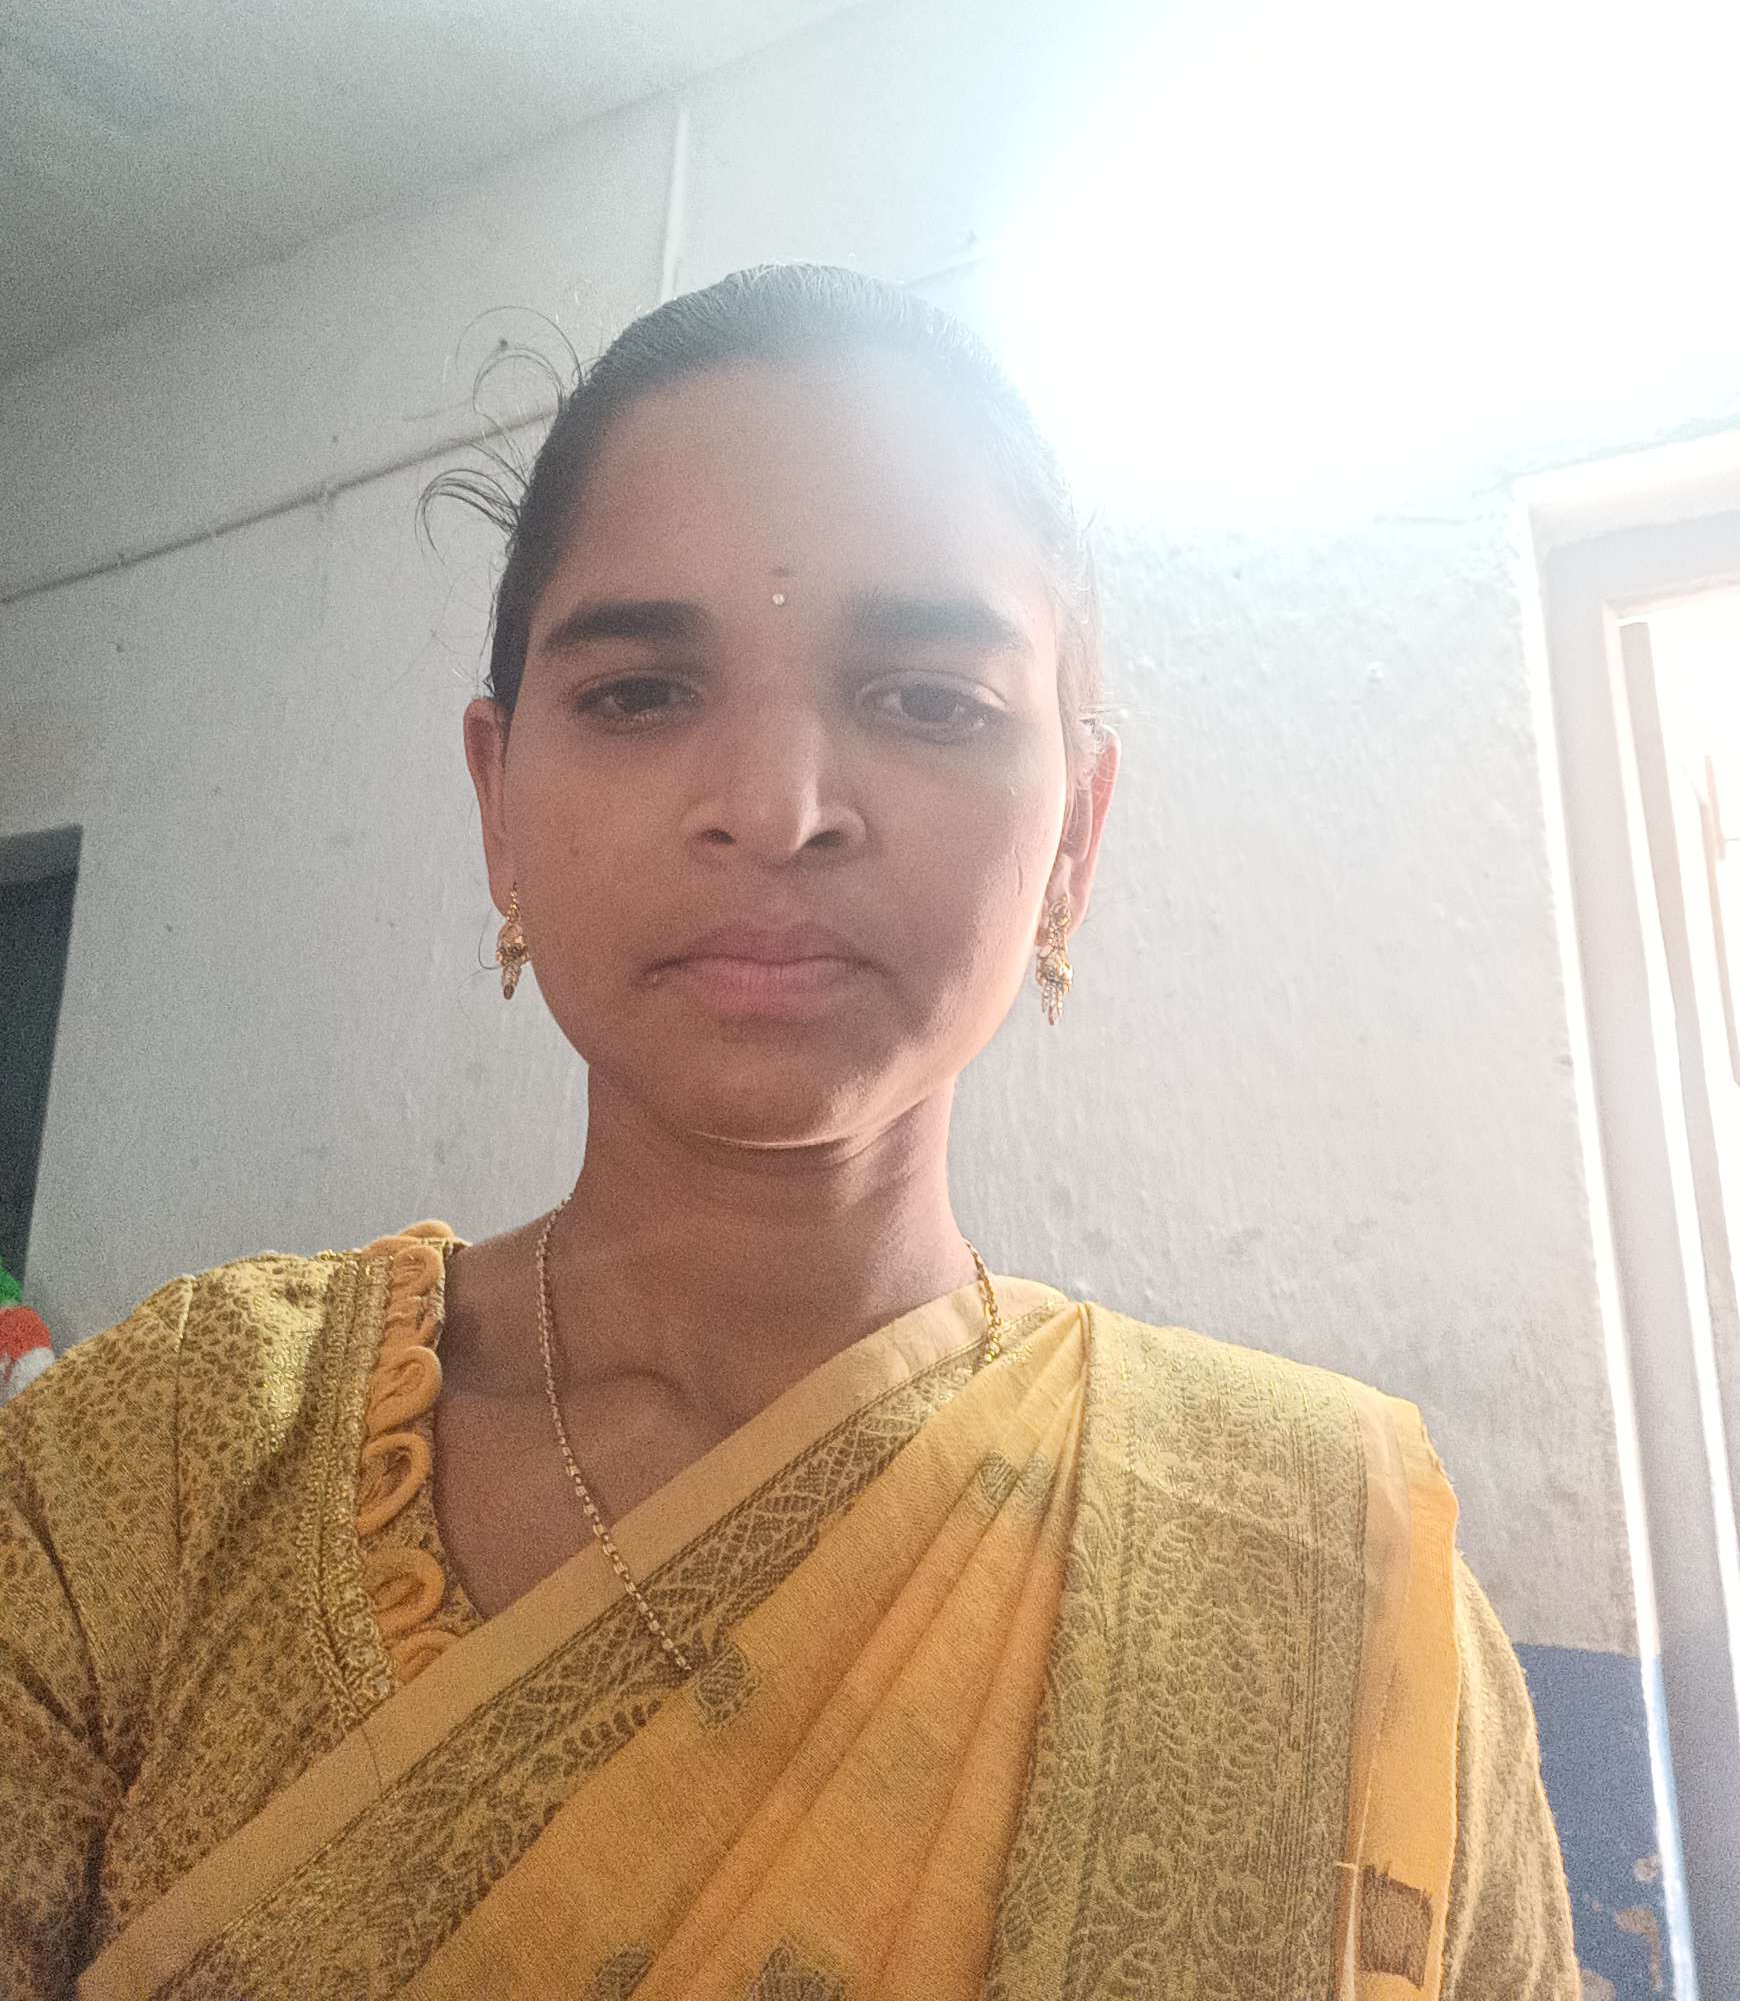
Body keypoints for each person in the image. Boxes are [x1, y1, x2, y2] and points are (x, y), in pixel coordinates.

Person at [0, 264, 1579, 1997]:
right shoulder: (171, 1458)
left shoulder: (1327, 1577)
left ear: (1076, 835)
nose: (776, 809)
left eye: (928, 699)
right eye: (639, 693)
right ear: (499, 801)